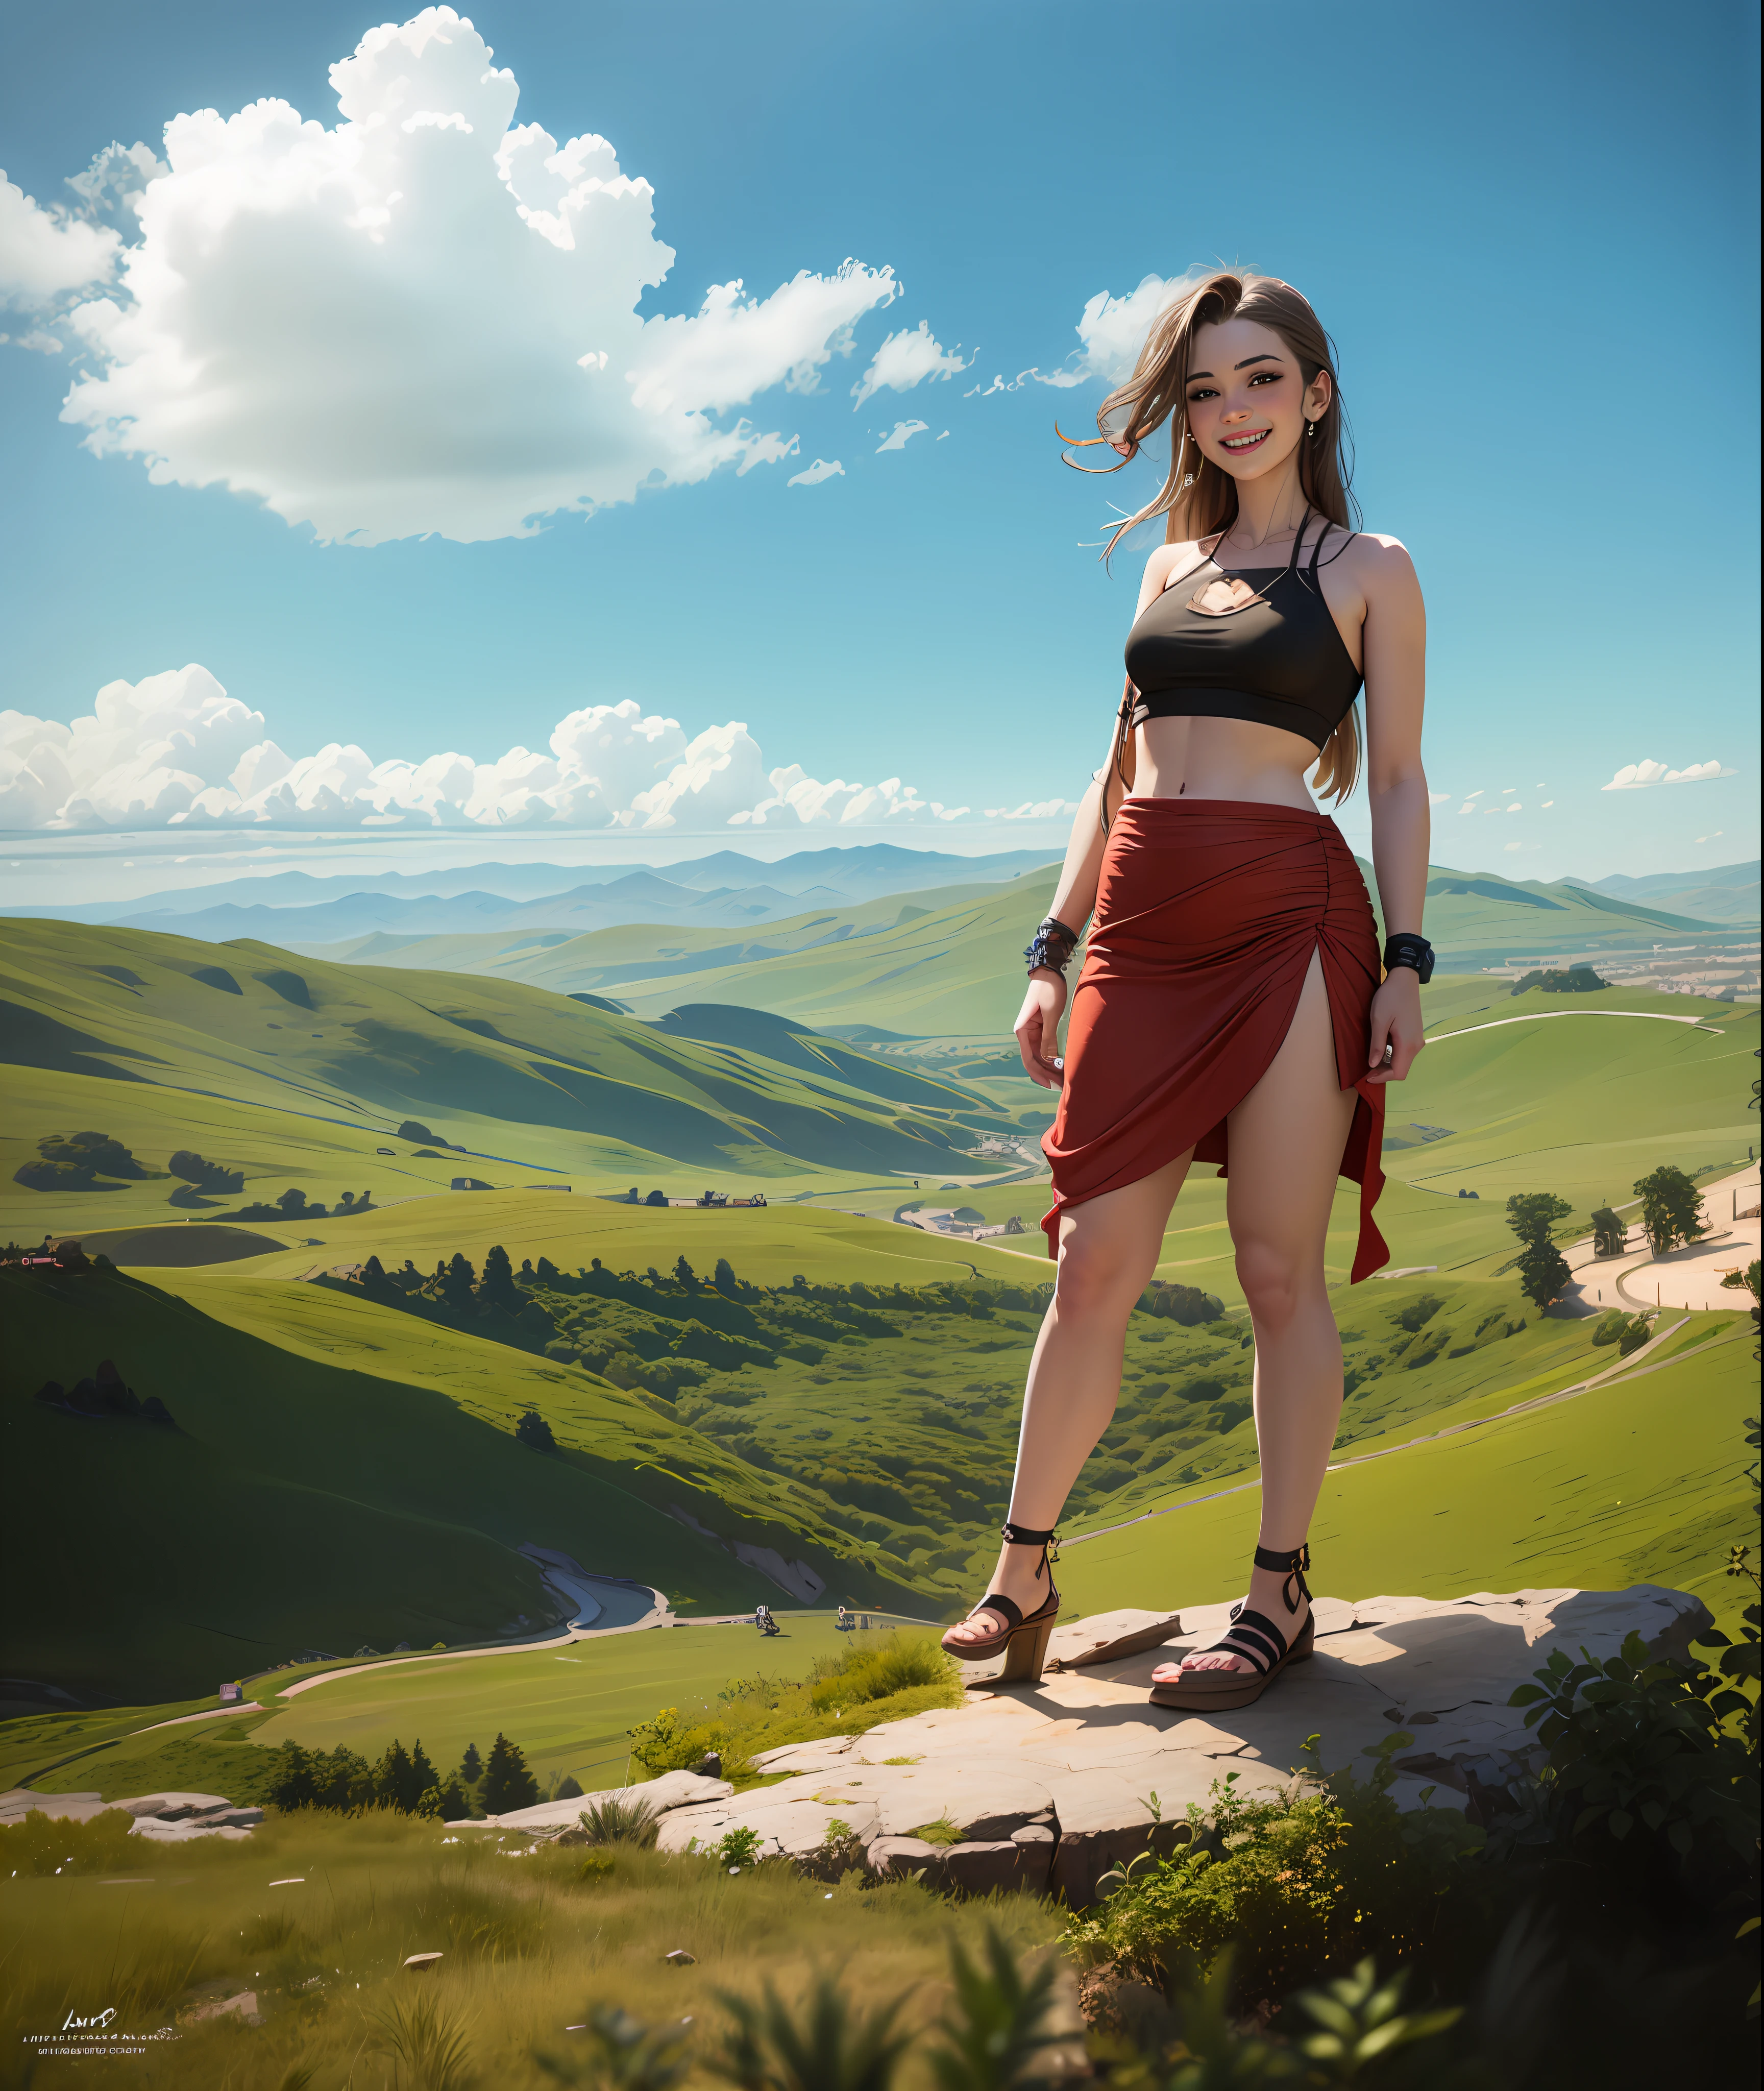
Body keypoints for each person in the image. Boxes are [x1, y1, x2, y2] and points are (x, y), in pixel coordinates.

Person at [942, 272, 1429, 1710]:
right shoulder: (1167, 571)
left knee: (1280, 1271)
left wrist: (1407, 957)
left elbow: (1395, 780)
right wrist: (1052, 947)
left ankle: (1279, 1591)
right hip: (1144, 924)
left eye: (1261, 379)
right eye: (1207, 389)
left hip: (1289, 915)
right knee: (1094, 1257)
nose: (1233, 411)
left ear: (1317, 394)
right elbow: (1113, 778)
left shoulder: (1371, 568)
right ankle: (1024, 1568)